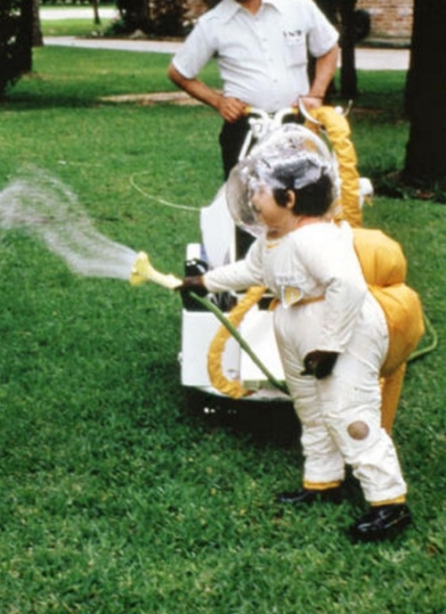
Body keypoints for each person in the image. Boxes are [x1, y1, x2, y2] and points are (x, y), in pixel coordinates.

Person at [181, 125, 417, 542]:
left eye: (259, 192)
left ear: (289, 200)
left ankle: (389, 502)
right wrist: (206, 283)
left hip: (341, 332)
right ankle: (323, 481)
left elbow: (348, 286)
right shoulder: (274, 239)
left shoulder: (315, 239)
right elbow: (252, 272)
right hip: (298, 328)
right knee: (311, 410)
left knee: (350, 413)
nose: (252, 199)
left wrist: (330, 346)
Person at [168, 0, 339, 180]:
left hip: (297, 124)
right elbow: (178, 72)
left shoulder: (297, 5)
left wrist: (316, 94)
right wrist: (218, 101)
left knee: (303, 196)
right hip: (246, 129)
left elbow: (328, 48)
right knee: (246, 201)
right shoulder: (213, 22)